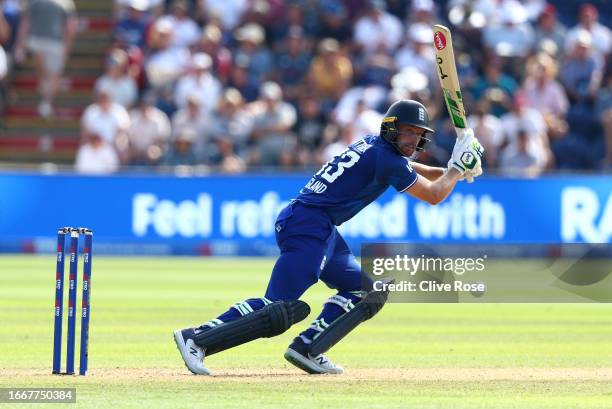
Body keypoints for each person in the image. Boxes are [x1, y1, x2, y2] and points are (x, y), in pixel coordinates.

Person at [173, 99, 484, 375]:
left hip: (320, 227)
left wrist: (451, 168)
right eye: (407, 132)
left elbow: (411, 168)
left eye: (418, 135)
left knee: (363, 292)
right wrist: (456, 169)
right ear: (390, 129)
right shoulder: (385, 159)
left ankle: (308, 347)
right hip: (310, 226)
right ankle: (197, 337)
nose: (412, 139)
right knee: (278, 307)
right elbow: (433, 196)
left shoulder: (374, 146)